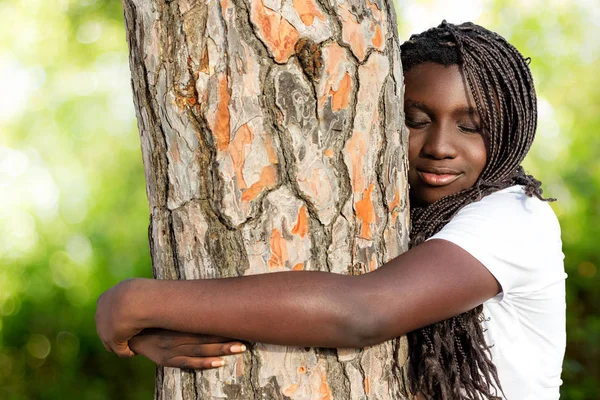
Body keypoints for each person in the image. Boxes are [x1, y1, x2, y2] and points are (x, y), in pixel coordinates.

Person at [95, 21, 566, 400]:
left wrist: (137, 302)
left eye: (470, 126)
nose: (439, 146)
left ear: (511, 131)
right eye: (416, 120)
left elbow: (361, 312)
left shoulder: (516, 219)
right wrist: (162, 331)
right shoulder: (402, 220)